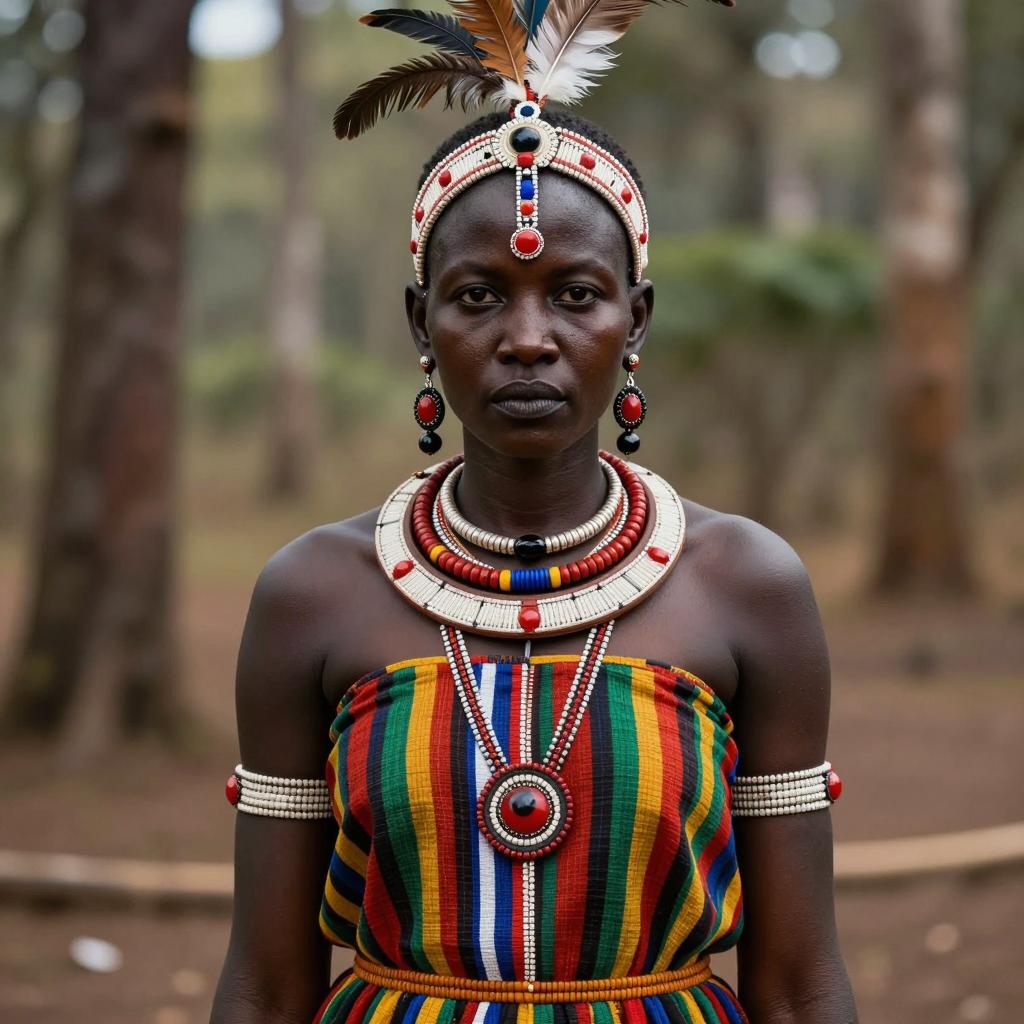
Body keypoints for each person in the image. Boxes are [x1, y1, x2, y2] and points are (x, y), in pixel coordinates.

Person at [211, 4, 858, 1023]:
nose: (526, 338)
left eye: (575, 294)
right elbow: (268, 980)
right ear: (419, 323)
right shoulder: (312, 595)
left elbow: (797, 981)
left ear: (633, 319)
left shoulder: (749, 587)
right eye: (476, 297)